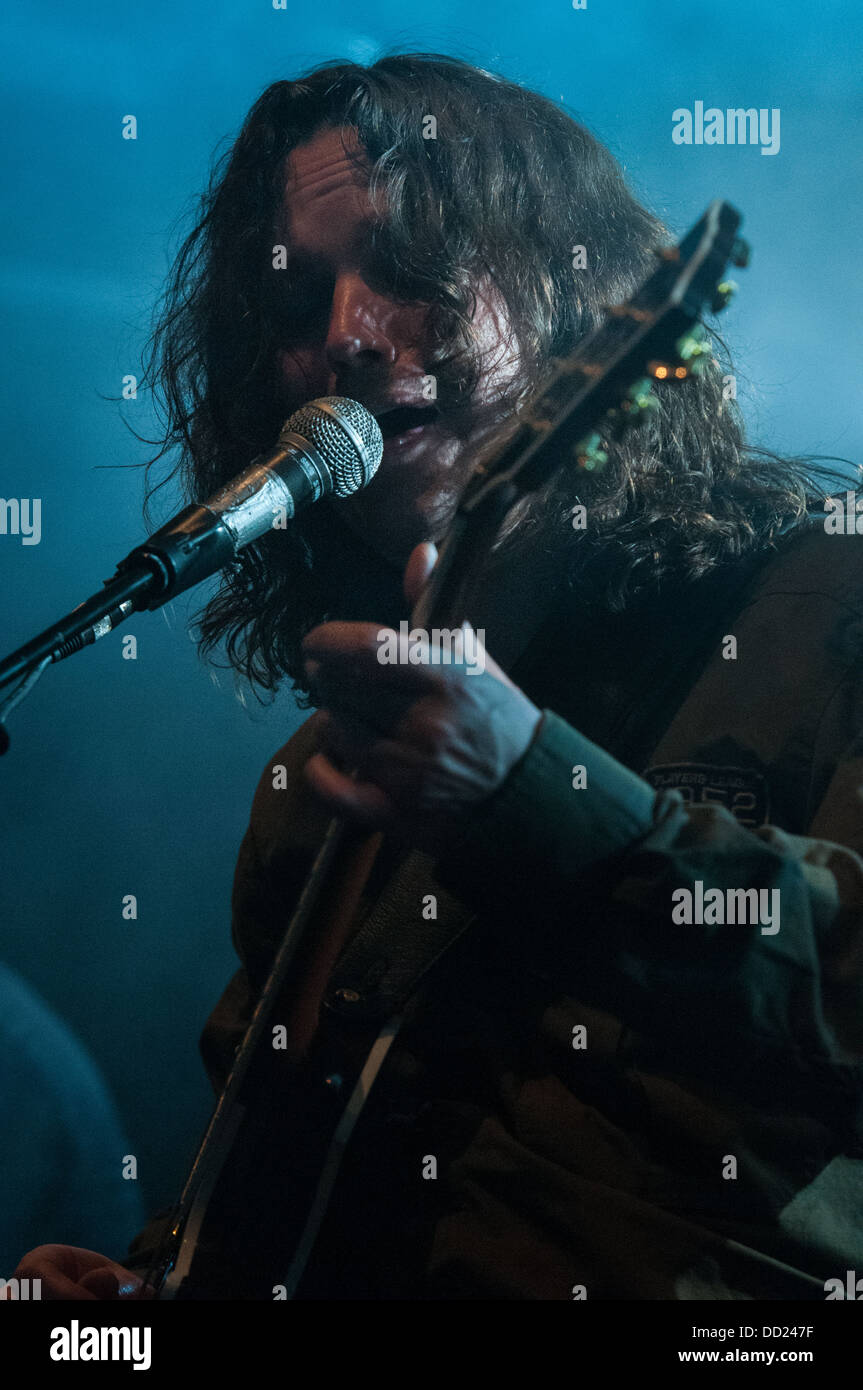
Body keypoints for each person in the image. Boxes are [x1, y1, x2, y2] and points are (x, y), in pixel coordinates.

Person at [11, 53, 863, 1301]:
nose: (349, 335)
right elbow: (267, 1192)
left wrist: (540, 801)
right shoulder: (324, 776)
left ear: (567, 294)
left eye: (408, 269)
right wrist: (141, 1300)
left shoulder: (821, 601)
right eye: (295, 305)